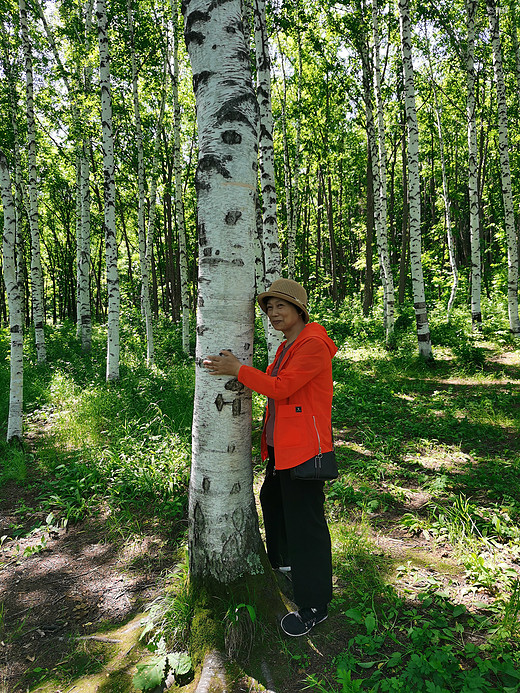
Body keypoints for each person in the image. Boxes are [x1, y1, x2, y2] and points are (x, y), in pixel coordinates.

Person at [203, 278, 337, 637]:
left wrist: (238, 371)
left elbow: (282, 388)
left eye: (281, 306)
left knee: (305, 523)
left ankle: (314, 605)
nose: (273, 313)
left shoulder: (312, 344)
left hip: (306, 448)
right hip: (282, 446)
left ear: (299, 309)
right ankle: (285, 565)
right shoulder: (287, 344)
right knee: (272, 500)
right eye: (268, 308)